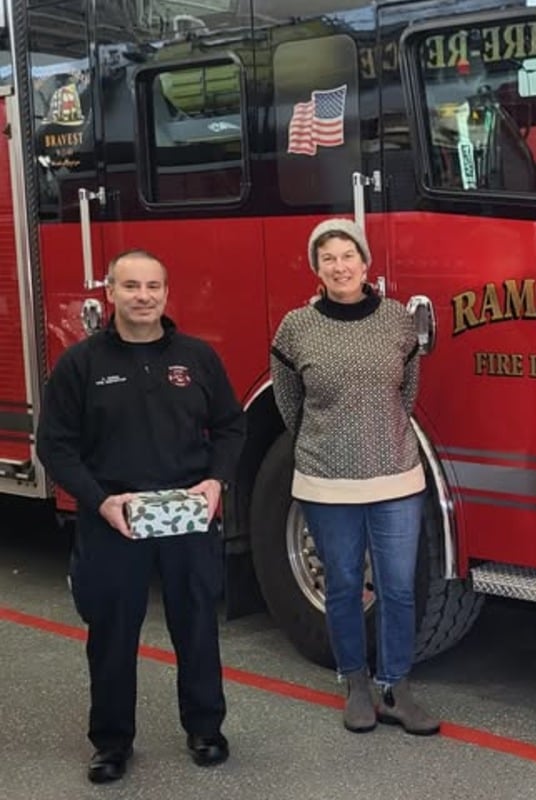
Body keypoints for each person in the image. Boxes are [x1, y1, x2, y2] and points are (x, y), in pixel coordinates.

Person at [36, 250, 245, 784]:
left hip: (186, 519)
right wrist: (99, 501)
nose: (143, 296)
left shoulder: (198, 358)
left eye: (153, 286)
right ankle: (110, 742)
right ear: (110, 292)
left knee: (197, 625)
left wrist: (215, 483)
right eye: (131, 286)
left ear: (166, 293)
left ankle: (205, 729)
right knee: (111, 633)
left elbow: (230, 427)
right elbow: (55, 446)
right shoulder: (81, 365)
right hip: (114, 520)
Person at [270, 218, 439, 736]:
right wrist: (329, 444)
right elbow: (289, 404)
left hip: (396, 478)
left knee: (397, 587)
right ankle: (356, 684)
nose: (339, 266)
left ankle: (396, 686)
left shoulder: (397, 321)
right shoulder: (295, 328)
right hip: (324, 481)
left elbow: (405, 396)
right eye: (328, 259)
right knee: (343, 585)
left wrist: (378, 439)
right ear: (316, 269)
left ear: (366, 264)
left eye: (348, 256)